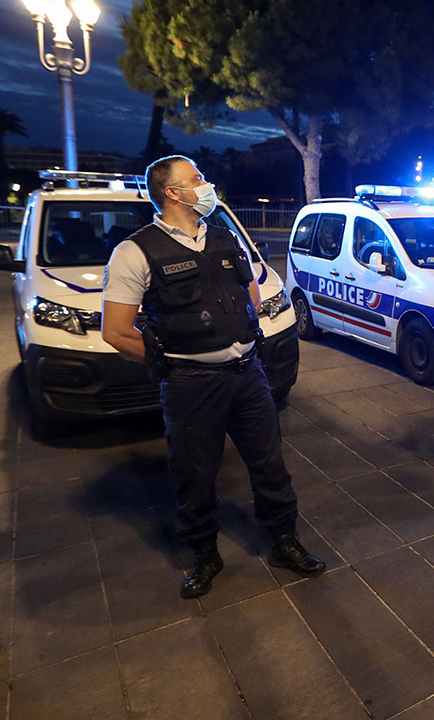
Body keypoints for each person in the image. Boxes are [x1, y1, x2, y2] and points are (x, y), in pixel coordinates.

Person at [101, 156, 324, 599]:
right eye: (196, 179)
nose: (206, 185)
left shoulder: (222, 238)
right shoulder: (135, 251)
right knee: (195, 473)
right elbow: (116, 331)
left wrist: (242, 331)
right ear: (173, 193)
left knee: (269, 465)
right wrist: (167, 362)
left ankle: (284, 542)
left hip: (247, 375)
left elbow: (250, 290)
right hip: (190, 385)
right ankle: (205, 555)